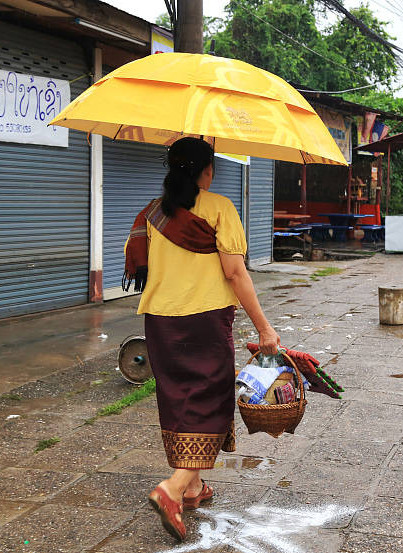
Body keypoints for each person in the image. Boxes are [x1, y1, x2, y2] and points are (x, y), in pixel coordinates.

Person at [123, 137, 280, 541]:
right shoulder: (219, 208)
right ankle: (171, 490)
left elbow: (140, 259)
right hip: (203, 320)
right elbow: (235, 272)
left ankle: (192, 488)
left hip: (159, 321)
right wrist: (264, 327)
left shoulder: (155, 212)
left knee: (179, 399)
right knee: (210, 400)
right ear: (206, 171)